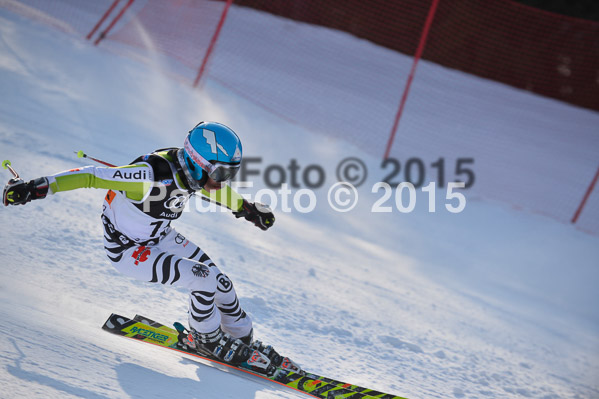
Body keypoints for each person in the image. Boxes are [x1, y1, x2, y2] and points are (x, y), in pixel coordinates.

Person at [2, 121, 298, 374]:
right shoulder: (147, 175)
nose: (223, 182)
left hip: (159, 236)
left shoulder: (192, 174)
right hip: (128, 250)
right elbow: (91, 175)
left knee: (221, 283)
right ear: (198, 164)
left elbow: (218, 194)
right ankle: (207, 339)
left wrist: (246, 209)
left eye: (230, 175)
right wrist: (34, 187)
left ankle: (240, 340)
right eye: (220, 174)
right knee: (203, 278)